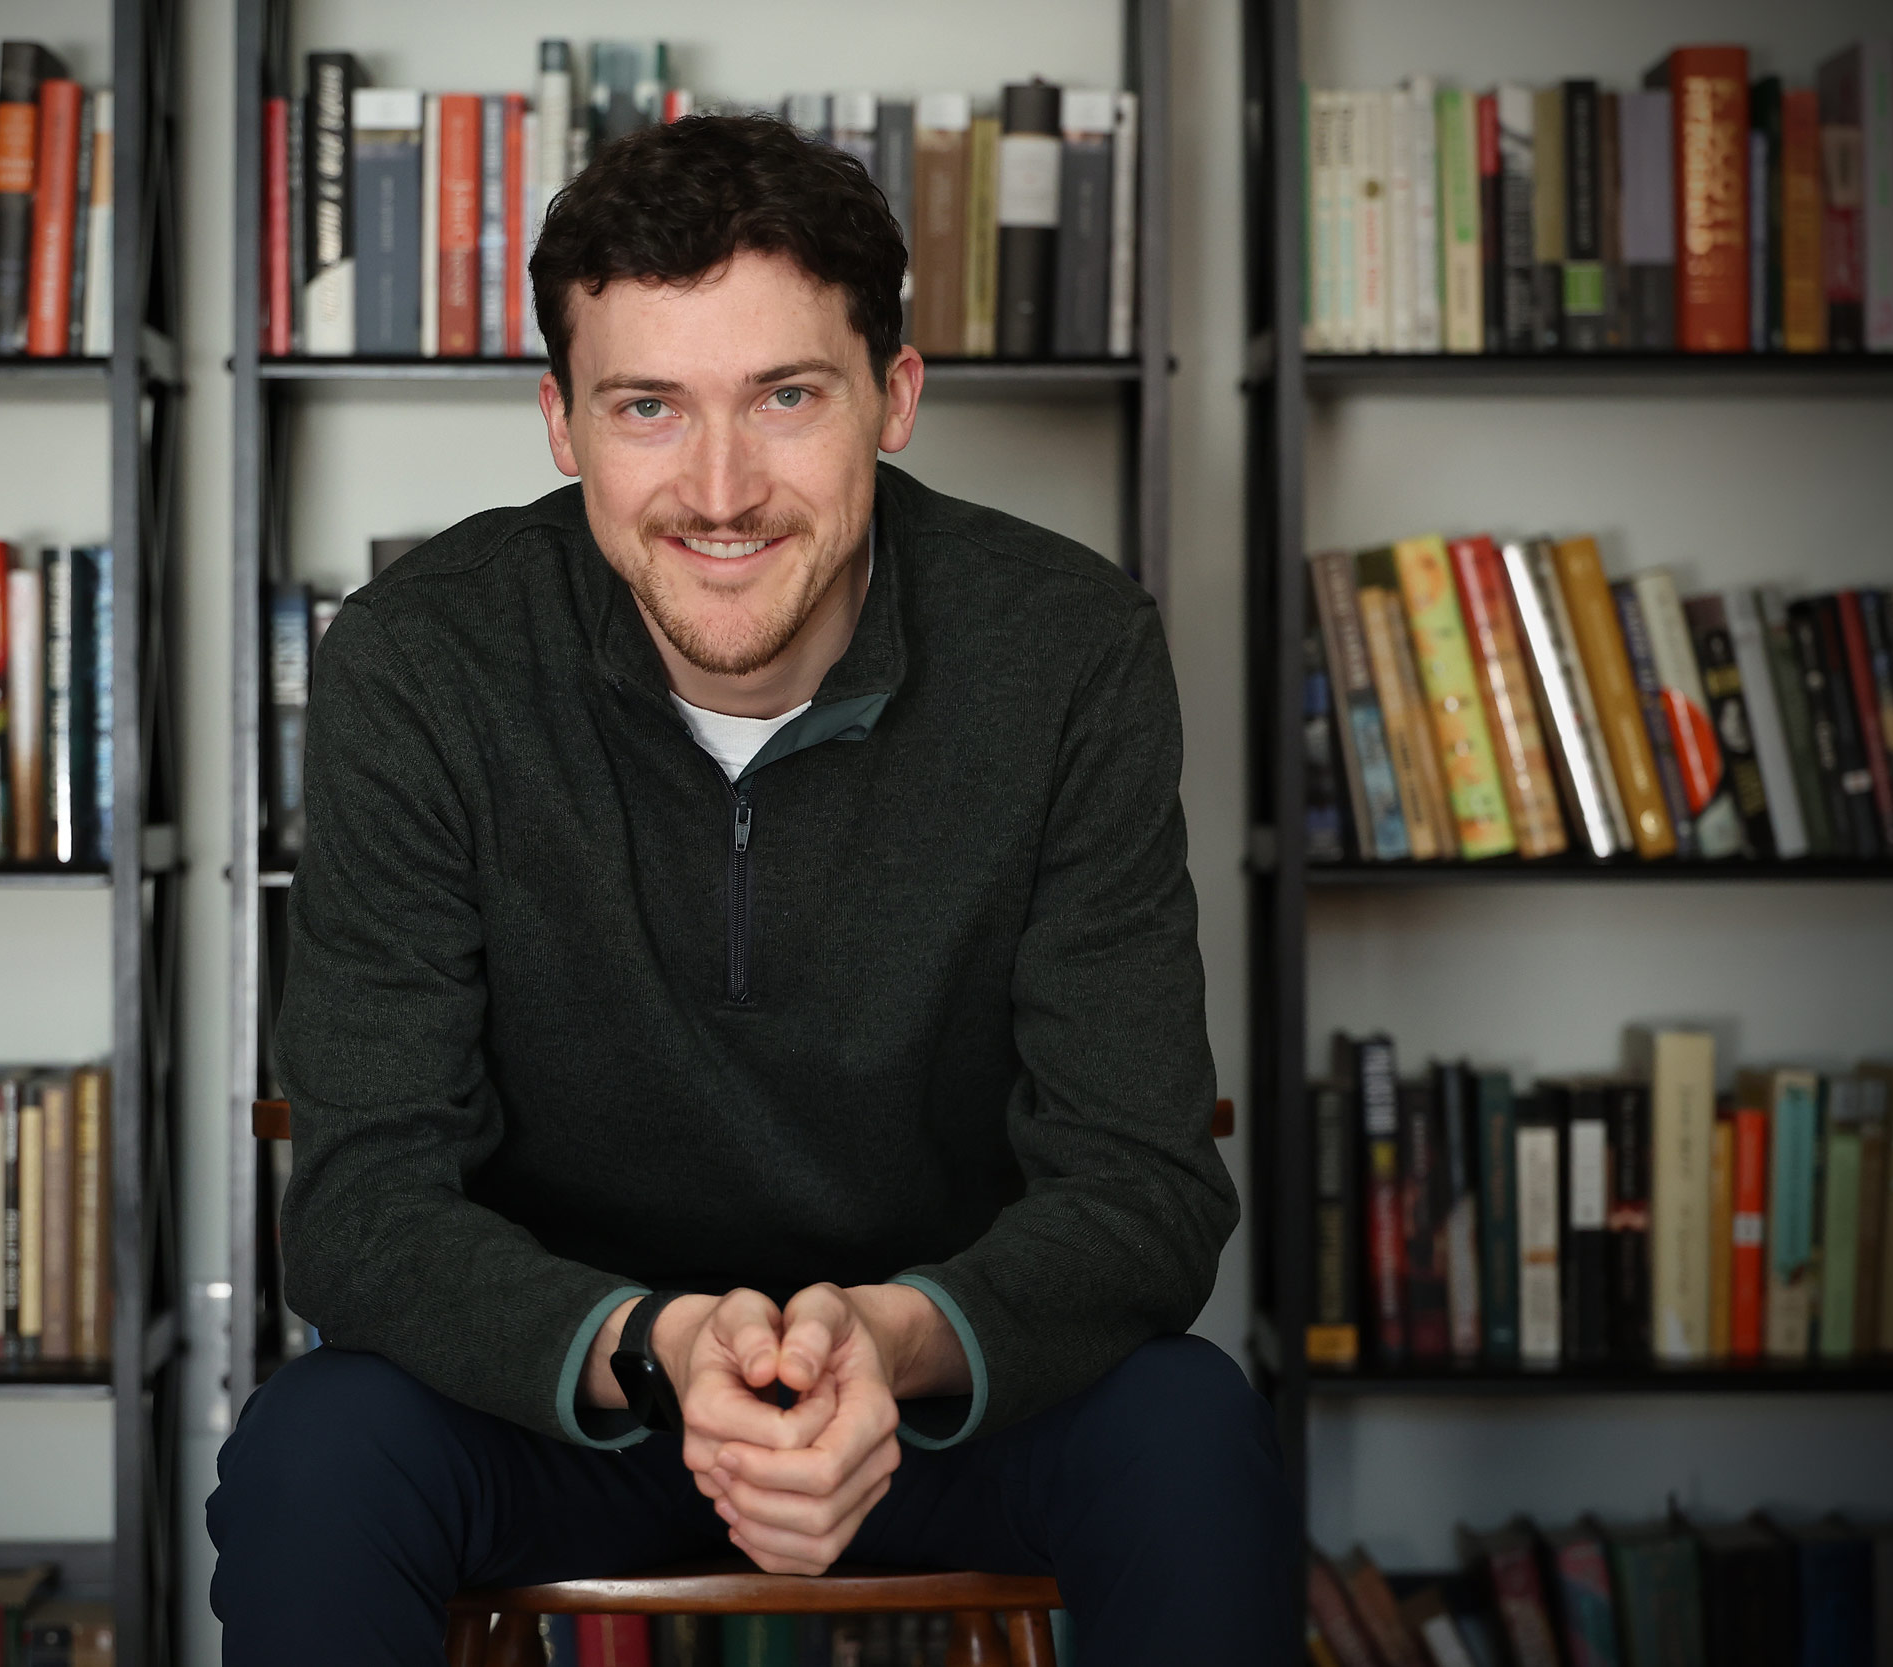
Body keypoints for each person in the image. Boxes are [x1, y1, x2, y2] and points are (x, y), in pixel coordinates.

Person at [208, 113, 1293, 1663]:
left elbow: (1144, 1181)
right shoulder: (420, 661)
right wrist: (655, 1346)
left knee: (1188, 1427)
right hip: (570, 1394)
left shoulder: (1069, 652)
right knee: (316, 1452)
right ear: (562, 422)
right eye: (648, 406)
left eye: (786, 396)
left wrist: (895, 1340)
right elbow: (362, 1200)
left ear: (893, 397)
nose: (720, 491)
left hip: (928, 1399)